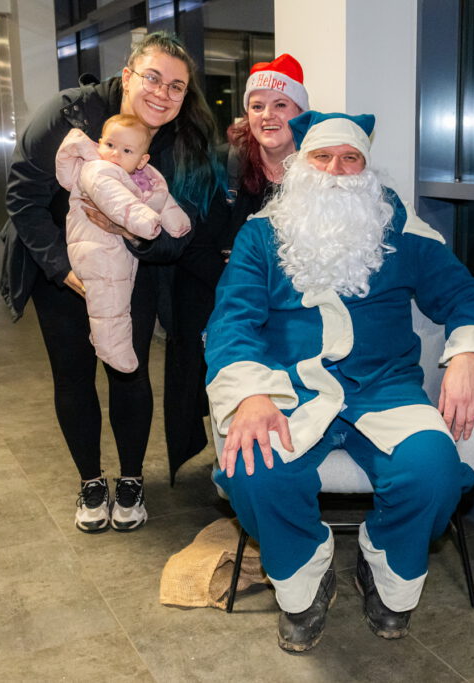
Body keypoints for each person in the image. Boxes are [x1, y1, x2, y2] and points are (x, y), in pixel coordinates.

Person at [203, 111, 474, 652]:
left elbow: (469, 297)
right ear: (301, 165)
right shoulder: (260, 238)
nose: (336, 171)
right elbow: (231, 321)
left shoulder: (404, 233)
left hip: (385, 389)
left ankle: (383, 563)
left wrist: (467, 357)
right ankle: (304, 579)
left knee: (434, 472)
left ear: (366, 169)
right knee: (254, 470)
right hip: (288, 390)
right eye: (322, 157)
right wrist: (249, 392)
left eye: (350, 158)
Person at [1, 32, 223, 533]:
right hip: (58, 269)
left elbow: (180, 232)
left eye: (176, 86)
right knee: (73, 373)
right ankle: (90, 481)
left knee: (129, 370)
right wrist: (64, 270)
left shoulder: (181, 144)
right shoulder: (67, 115)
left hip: (132, 270)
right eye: (153, 78)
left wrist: (133, 235)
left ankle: (130, 480)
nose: (163, 93)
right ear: (127, 76)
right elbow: (22, 202)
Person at [165, 54, 309, 483]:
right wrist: (245, 280)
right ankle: (238, 459)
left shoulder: (320, 169)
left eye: (281, 105)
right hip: (215, 298)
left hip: (290, 306)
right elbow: (189, 240)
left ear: (301, 113)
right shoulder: (217, 166)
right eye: (257, 105)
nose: (268, 115)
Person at [56, 114, 191, 373]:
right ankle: (110, 347)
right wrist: (145, 221)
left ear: (142, 160)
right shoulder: (96, 169)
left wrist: (177, 223)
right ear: (99, 143)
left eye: (126, 150)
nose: (115, 154)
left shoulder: (145, 176)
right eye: (109, 145)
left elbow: (161, 198)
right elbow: (118, 202)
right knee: (110, 299)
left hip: (118, 248)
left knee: (119, 297)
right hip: (95, 248)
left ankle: (106, 338)